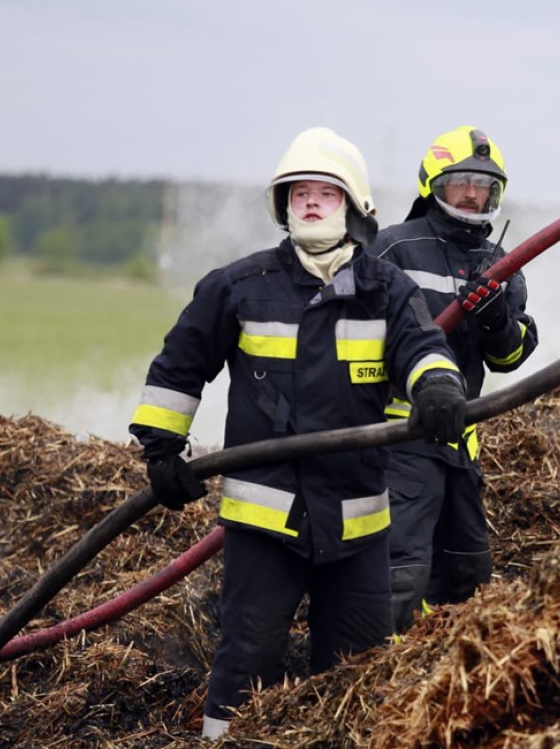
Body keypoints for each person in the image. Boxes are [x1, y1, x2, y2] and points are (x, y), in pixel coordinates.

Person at [127, 127, 467, 740]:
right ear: (282, 207)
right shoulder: (238, 287)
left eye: (327, 193)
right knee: (246, 665)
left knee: (355, 678)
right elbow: (179, 366)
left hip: (359, 526)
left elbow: (424, 348)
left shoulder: (387, 291)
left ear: (355, 209)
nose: (310, 202)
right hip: (265, 524)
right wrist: (161, 447)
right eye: (299, 193)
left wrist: (439, 388)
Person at [367, 125, 538, 631]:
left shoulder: (501, 263)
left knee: (467, 577)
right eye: (461, 181)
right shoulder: (391, 249)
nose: (472, 193)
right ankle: (373, 678)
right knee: (401, 571)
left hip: (461, 450)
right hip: (399, 442)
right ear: (433, 186)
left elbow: (511, 359)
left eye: (484, 185)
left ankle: (443, 681)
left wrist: (495, 321)